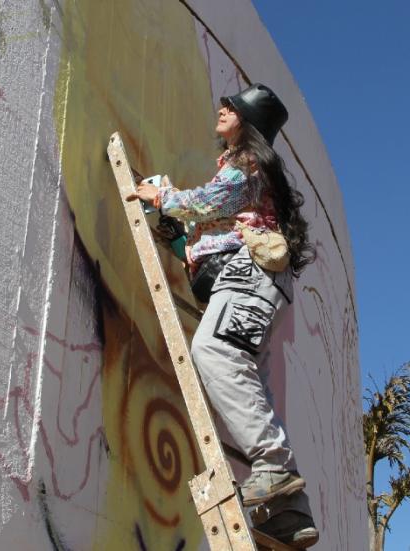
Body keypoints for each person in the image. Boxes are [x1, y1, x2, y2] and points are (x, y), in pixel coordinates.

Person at [127, 83, 318, 549]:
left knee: (213, 352)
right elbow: (211, 237)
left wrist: (159, 196)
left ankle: (271, 467)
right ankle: (288, 514)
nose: (222, 108)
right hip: (249, 281)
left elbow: (207, 204)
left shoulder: (246, 165)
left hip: (249, 278)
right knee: (248, 376)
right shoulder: (242, 175)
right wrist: (179, 237)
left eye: (231, 106)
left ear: (247, 123)